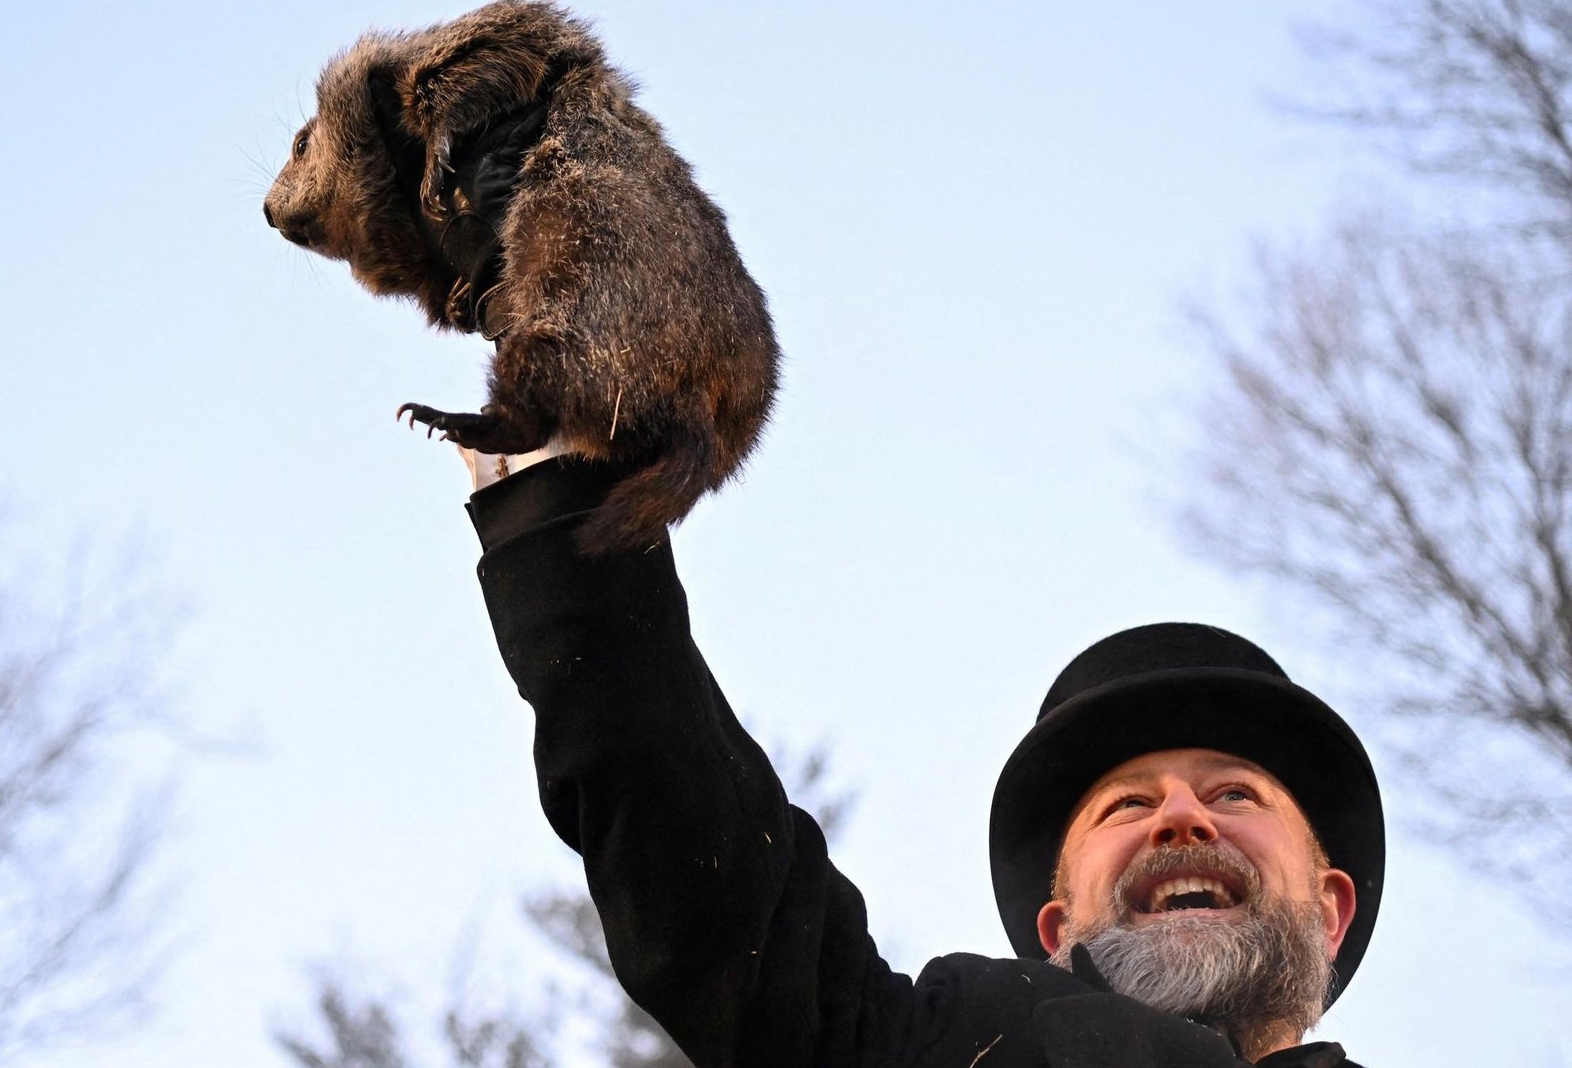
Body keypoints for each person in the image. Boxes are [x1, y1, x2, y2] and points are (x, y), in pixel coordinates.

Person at [458, 446, 1381, 1068]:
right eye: (1126, 806)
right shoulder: (961, 1043)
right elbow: (726, 898)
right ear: (1057, 931)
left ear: (1329, 911)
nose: (1182, 815)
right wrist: (568, 496)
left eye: (1236, 794)